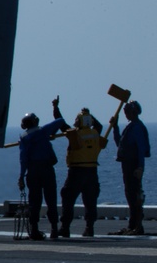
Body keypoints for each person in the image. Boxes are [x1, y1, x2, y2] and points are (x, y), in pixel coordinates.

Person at [55, 104, 106, 237]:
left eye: (77, 119)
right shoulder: (95, 133)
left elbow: (61, 124)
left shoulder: (74, 134)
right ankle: (90, 228)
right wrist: (88, 115)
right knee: (90, 201)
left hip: (76, 171)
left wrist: (56, 108)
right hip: (92, 171)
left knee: (68, 198)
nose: (75, 122)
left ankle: (65, 227)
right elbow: (99, 126)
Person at [18, 102, 66, 240]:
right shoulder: (43, 131)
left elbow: (23, 160)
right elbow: (60, 121)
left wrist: (21, 177)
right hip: (46, 169)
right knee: (51, 199)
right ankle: (54, 229)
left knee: (34, 201)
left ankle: (34, 230)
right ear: (35, 121)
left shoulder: (24, 138)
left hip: (32, 171)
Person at [109, 100, 151, 235]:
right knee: (130, 194)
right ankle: (133, 224)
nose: (125, 114)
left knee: (135, 194)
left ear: (133, 112)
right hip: (127, 164)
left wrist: (140, 167)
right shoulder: (131, 127)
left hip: (133, 165)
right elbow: (120, 144)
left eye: (127, 111)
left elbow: (140, 149)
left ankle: (137, 225)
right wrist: (115, 127)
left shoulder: (137, 127)